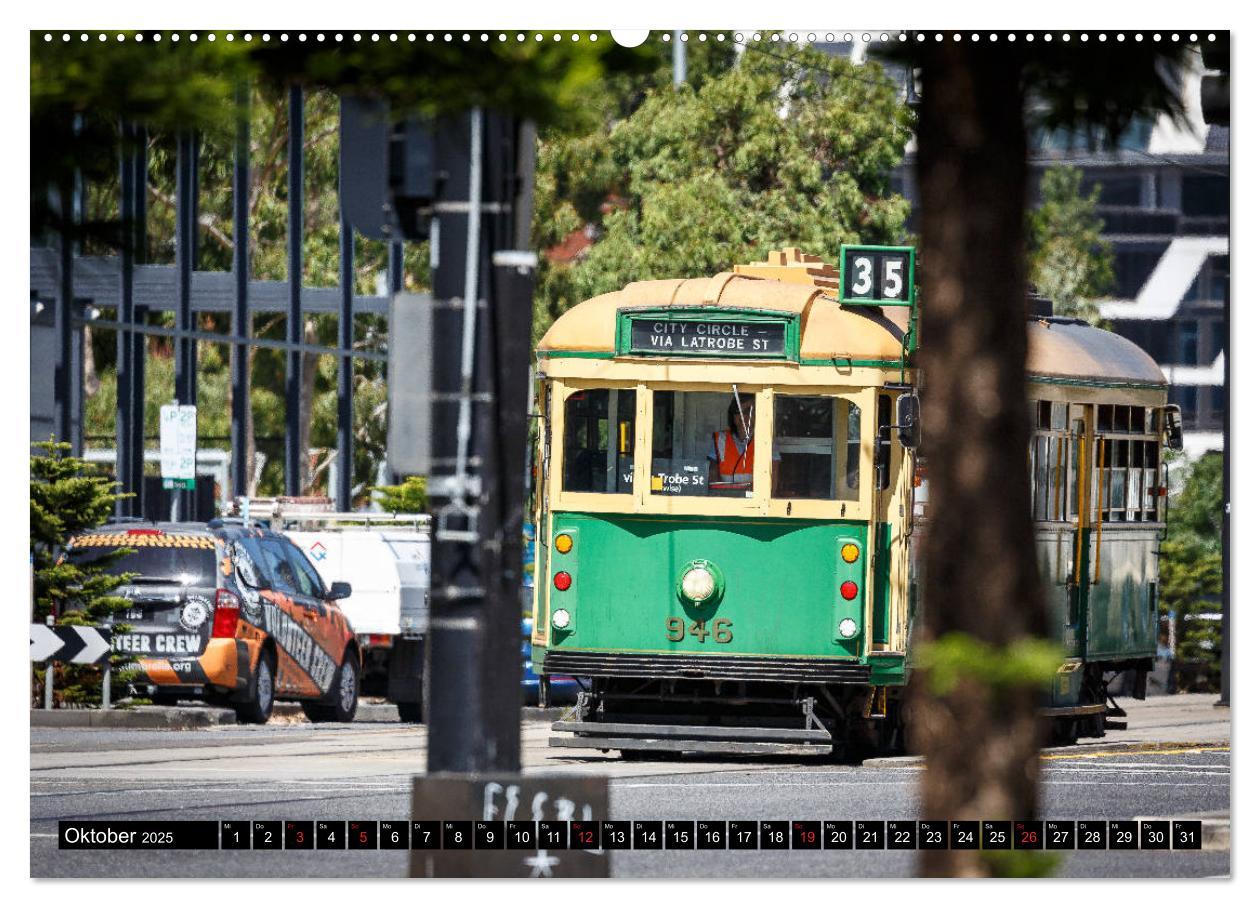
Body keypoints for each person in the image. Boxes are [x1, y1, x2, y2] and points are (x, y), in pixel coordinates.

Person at [709, 395, 773, 492]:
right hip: (726, 501)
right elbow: (712, 479)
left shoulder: (766, 440)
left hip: (754, 503)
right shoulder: (720, 440)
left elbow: (772, 481)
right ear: (733, 416)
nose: (744, 416)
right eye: (739, 411)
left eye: (748, 411)